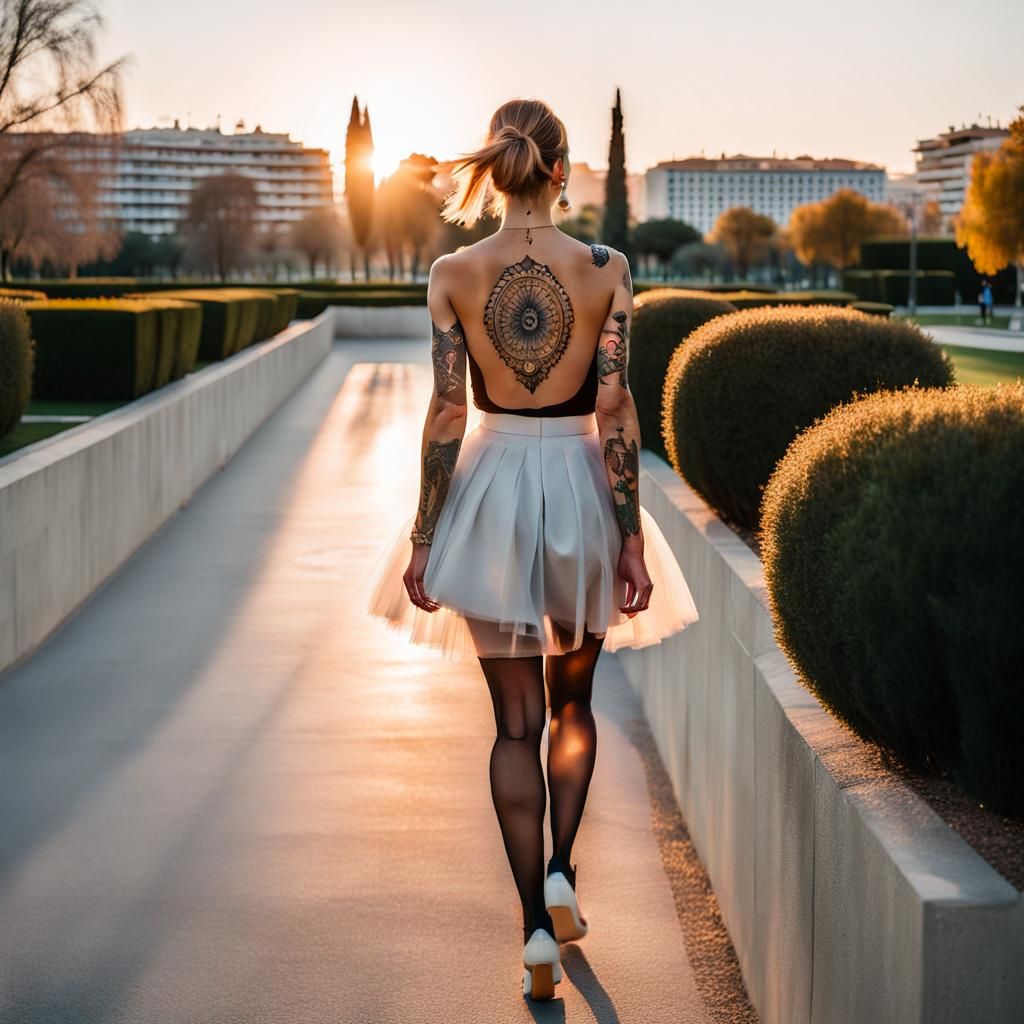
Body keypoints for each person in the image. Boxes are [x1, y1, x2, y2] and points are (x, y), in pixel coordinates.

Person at [365, 98, 698, 1002]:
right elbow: (617, 407)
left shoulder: (453, 271)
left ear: (502, 169)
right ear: (561, 169)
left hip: (491, 489)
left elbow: (445, 413)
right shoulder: (606, 269)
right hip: (584, 495)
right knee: (573, 700)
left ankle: (534, 933)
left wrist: (426, 536)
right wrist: (630, 539)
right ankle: (562, 868)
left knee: (512, 723)